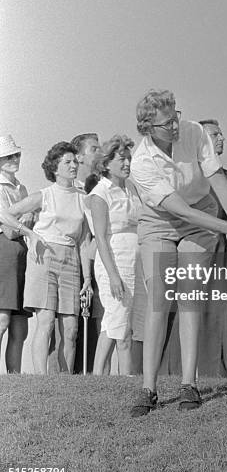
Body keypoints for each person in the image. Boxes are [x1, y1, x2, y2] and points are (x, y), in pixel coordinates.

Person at [130, 89, 227, 416]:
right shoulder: (141, 162)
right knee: (159, 295)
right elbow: (178, 210)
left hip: (201, 216)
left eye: (176, 117)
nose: (174, 127)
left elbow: (215, 176)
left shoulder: (195, 131)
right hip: (160, 221)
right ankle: (148, 388)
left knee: (190, 293)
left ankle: (189, 383)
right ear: (147, 129)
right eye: (165, 123)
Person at [0, 142, 92, 374]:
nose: (73, 166)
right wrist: (28, 231)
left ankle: (65, 380)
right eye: (67, 162)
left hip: (70, 259)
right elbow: (7, 215)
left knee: (71, 328)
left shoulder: (83, 197)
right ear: (54, 168)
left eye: (74, 162)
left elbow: (84, 240)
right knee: (46, 322)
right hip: (43, 258)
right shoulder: (43, 195)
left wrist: (88, 278)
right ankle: (42, 378)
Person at [86, 135, 143, 375]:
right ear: (107, 163)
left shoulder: (131, 188)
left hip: (134, 259)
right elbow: (100, 238)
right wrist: (113, 275)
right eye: (122, 159)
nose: (127, 163)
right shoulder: (100, 193)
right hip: (114, 261)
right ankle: (126, 378)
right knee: (121, 326)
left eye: (129, 159)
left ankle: (97, 375)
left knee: (115, 322)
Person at [197, 118, 227, 377]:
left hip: (222, 254)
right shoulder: (189, 173)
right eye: (215, 135)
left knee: (220, 315)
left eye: (222, 134)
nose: (221, 138)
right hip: (193, 248)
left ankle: (217, 372)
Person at [69, 133, 103, 375]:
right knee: (69, 325)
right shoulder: (68, 190)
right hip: (72, 264)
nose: (99, 152)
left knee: (95, 321)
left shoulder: (100, 188)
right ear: (78, 157)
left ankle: (91, 375)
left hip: (97, 262)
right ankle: (62, 376)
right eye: (93, 148)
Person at [0, 135, 34, 372]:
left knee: (20, 324)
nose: (14, 159)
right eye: (8, 156)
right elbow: (9, 228)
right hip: (5, 249)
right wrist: (25, 220)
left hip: (22, 252)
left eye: (16, 154)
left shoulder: (21, 187)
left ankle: (15, 375)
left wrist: (23, 221)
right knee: (2, 318)